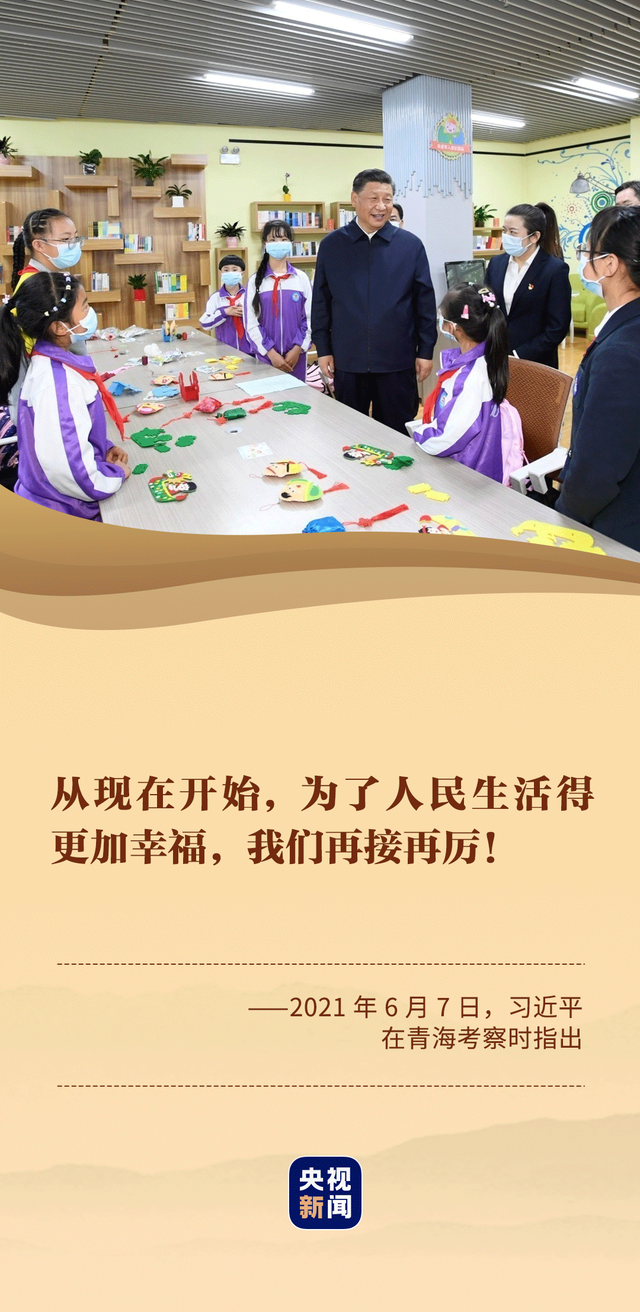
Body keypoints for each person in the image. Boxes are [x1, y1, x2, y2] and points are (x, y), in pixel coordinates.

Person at [311, 168, 437, 435]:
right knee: (348, 434)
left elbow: (424, 303)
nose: (381, 206)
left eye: (387, 199)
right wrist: (323, 349)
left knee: (397, 435)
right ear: (354, 199)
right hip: (348, 361)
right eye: (373, 199)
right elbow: (321, 301)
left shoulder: (410, 246)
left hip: (397, 361)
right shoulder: (332, 245)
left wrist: (425, 351)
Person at [0, 272, 130, 518]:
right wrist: (116, 474)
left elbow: (67, 434)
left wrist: (103, 448)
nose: (91, 313)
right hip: (65, 507)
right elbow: (71, 473)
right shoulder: (58, 385)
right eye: (85, 306)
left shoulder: (52, 363)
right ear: (60, 327)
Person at [555, 206, 640, 551]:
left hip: (617, 527)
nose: (583, 259)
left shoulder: (621, 353)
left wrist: (564, 514)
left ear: (609, 264)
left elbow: (600, 467)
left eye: (587, 250)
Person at [410, 283, 524, 485]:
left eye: (443, 318)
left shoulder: (471, 378)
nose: (441, 322)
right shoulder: (482, 359)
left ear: (456, 328)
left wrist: (418, 435)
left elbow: (448, 437)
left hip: (466, 473)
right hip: (467, 459)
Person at [485, 203, 571, 367]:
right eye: (504, 230)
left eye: (513, 232)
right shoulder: (496, 263)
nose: (506, 236)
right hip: (496, 358)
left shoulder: (554, 270)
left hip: (535, 362)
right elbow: (487, 306)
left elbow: (557, 327)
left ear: (534, 237)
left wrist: (520, 355)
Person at [244, 221, 312, 381]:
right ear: (264, 244)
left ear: (291, 243)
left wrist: (297, 348)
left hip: (296, 358)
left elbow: (311, 318)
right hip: (265, 358)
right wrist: (271, 353)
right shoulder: (255, 281)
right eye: (273, 240)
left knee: (297, 396)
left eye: (283, 239)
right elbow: (251, 323)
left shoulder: (301, 278)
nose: (278, 243)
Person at [11, 207, 84, 294]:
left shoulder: (48, 278)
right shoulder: (36, 285)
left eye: (75, 237)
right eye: (66, 239)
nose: (74, 243)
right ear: (39, 245)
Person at [199, 255, 255, 355]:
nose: (230, 273)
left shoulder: (250, 295)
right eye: (226, 270)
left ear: (242, 273)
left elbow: (261, 320)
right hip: (225, 352)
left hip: (250, 351)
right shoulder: (215, 298)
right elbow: (205, 324)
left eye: (234, 270)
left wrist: (248, 312)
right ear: (221, 274)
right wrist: (224, 312)